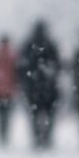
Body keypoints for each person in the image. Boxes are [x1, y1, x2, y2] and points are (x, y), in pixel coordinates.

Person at [18, 20, 62, 150]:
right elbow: (58, 65)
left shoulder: (28, 45)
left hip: (34, 88)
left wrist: (26, 80)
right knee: (49, 115)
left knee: (34, 116)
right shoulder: (50, 45)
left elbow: (21, 67)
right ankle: (46, 138)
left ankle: (37, 138)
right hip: (48, 88)